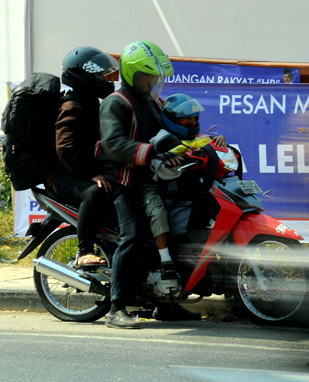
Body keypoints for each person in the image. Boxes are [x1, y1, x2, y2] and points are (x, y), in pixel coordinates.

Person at [98, 40, 197, 329]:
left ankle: (166, 304)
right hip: (124, 181)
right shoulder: (116, 103)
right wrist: (151, 152)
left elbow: (171, 131)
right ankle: (116, 308)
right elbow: (113, 144)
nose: (152, 81)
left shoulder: (152, 102)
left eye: (154, 77)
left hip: (153, 180)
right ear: (130, 74)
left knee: (171, 231)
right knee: (132, 235)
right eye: (146, 76)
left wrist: (196, 144)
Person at [44, 46, 118, 266]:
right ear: (82, 75)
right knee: (94, 192)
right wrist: (93, 173)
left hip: (76, 170)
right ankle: (84, 251)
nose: (104, 80)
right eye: (98, 75)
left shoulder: (90, 102)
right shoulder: (73, 105)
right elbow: (65, 148)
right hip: (60, 175)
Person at [142, 94, 226, 280]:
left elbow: (204, 142)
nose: (193, 122)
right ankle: (166, 261)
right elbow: (163, 169)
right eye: (187, 118)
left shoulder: (190, 137)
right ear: (172, 120)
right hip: (153, 187)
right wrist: (178, 160)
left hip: (177, 189)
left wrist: (218, 140)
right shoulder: (162, 139)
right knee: (158, 213)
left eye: (195, 118)